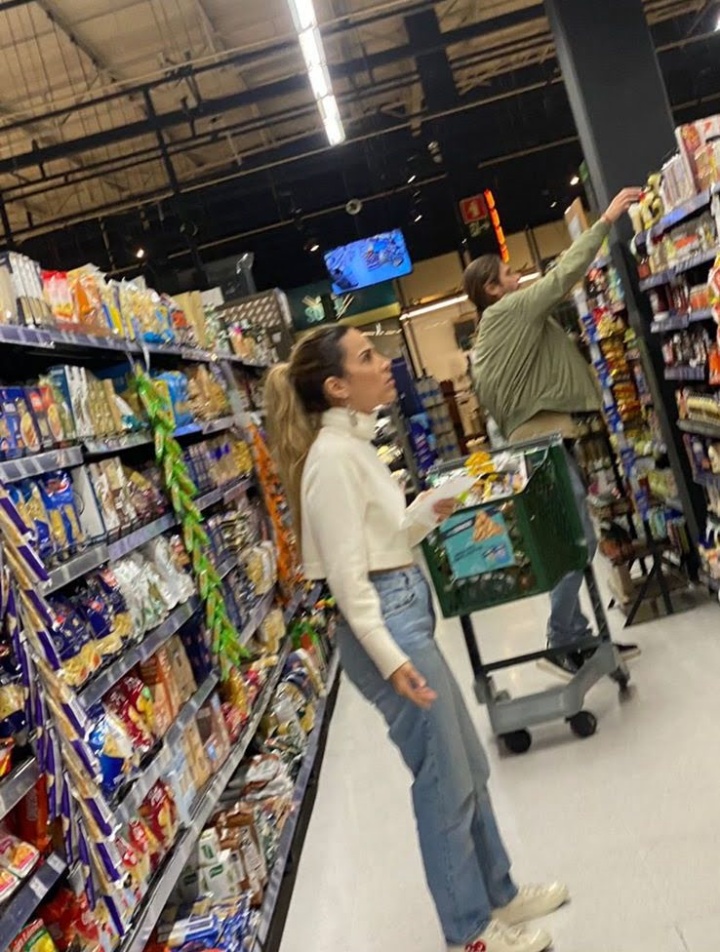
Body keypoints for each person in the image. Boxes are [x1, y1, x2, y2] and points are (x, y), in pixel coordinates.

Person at [265, 325, 569, 952]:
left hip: (402, 610)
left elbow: (382, 539)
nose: (386, 363)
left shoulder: (354, 447)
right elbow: (349, 582)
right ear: (337, 386)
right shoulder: (330, 460)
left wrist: (434, 505)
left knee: (470, 766)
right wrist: (392, 656)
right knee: (443, 782)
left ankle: (500, 895)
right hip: (388, 625)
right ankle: (468, 934)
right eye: (368, 357)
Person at [464, 188, 643, 679]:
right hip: (541, 446)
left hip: (530, 445)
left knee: (567, 538)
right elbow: (565, 275)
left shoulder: (487, 336)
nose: (519, 277)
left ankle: (583, 637)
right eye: (509, 275)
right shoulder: (510, 312)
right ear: (493, 290)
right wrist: (604, 219)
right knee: (579, 538)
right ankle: (562, 639)